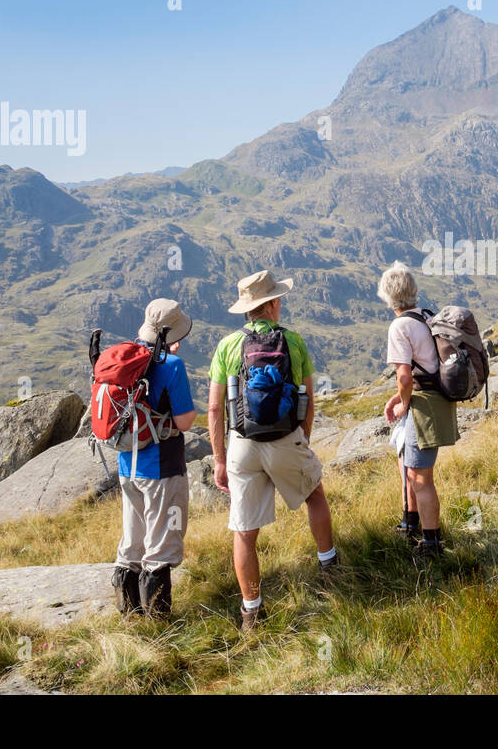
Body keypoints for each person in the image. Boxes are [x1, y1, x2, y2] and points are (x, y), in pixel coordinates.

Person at [207, 269, 337, 632]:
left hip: (242, 445)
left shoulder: (227, 346)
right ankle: (329, 569)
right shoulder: (293, 342)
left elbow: (215, 409)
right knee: (315, 495)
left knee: (244, 531)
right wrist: (301, 441)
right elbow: (307, 398)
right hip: (285, 439)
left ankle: (251, 611)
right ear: (273, 304)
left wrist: (220, 459)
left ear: (247, 310)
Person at [113, 298, 198, 620]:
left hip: (127, 466)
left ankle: (129, 614)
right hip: (161, 467)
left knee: (133, 539)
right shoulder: (171, 366)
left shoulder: (124, 360)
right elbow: (184, 422)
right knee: (162, 543)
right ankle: (158, 622)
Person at [377, 262, 458, 557]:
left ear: (388, 296)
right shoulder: (426, 315)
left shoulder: (399, 325)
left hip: (424, 405)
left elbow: (404, 376)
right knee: (409, 465)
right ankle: (411, 524)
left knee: (421, 478)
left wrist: (405, 401)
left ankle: (432, 543)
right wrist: (399, 400)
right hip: (436, 399)